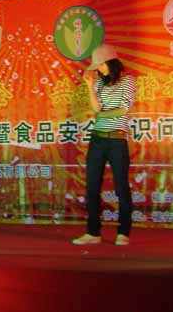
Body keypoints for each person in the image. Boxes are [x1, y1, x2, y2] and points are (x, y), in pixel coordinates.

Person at [72, 44, 136, 246]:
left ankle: (123, 232)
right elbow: (96, 109)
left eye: (101, 64)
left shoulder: (128, 81)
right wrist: (90, 86)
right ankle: (93, 232)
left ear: (111, 62)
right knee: (92, 186)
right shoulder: (99, 83)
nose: (99, 69)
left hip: (117, 139)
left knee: (121, 187)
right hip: (97, 139)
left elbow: (123, 110)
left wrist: (102, 114)